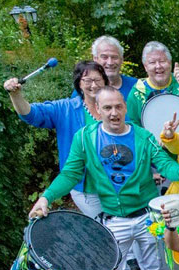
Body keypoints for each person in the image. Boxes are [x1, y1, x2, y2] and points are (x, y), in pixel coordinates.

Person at [27, 87, 179, 270]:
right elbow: (70, 174)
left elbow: (162, 162)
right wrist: (46, 198)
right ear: (98, 109)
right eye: (107, 107)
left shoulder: (143, 136)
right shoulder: (85, 138)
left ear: (125, 107)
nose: (114, 112)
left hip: (147, 218)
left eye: (118, 106)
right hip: (113, 219)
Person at [6, 61, 108, 218]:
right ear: (79, 84)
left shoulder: (116, 107)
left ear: (105, 81)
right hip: (86, 189)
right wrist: (15, 95)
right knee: (109, 230)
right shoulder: (65, 109)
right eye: (87, 80)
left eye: (98, 80)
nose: (93, 85)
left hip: (116, 186)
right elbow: (31, 114)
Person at [126, 42, 179, 128]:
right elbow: (134, 127)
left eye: (162, 61)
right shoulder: (137, 94)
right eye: (152, 62)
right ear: (145, 67)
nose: (158, 66)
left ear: (170, 63)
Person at [72, 35, 136, 99]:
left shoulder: (136, 87)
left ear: (122, 59)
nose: (110, 62)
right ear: (95, 59)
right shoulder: (84, 91)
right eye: (104, 57)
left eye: (114, 57)